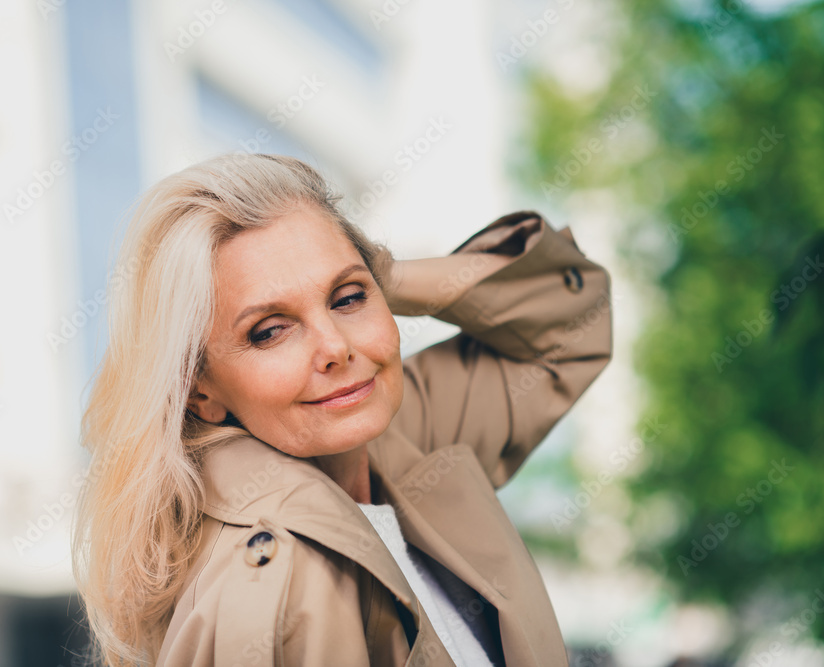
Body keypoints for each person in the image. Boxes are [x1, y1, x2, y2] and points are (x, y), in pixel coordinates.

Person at [72, 152, 613, 666]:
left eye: (349, 299)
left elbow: (571, 314)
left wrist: (377, 272)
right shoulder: (275, 582)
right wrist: (346, 278)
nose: (335, 347)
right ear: (201, 392)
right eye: (270, 331)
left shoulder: (393, 442)